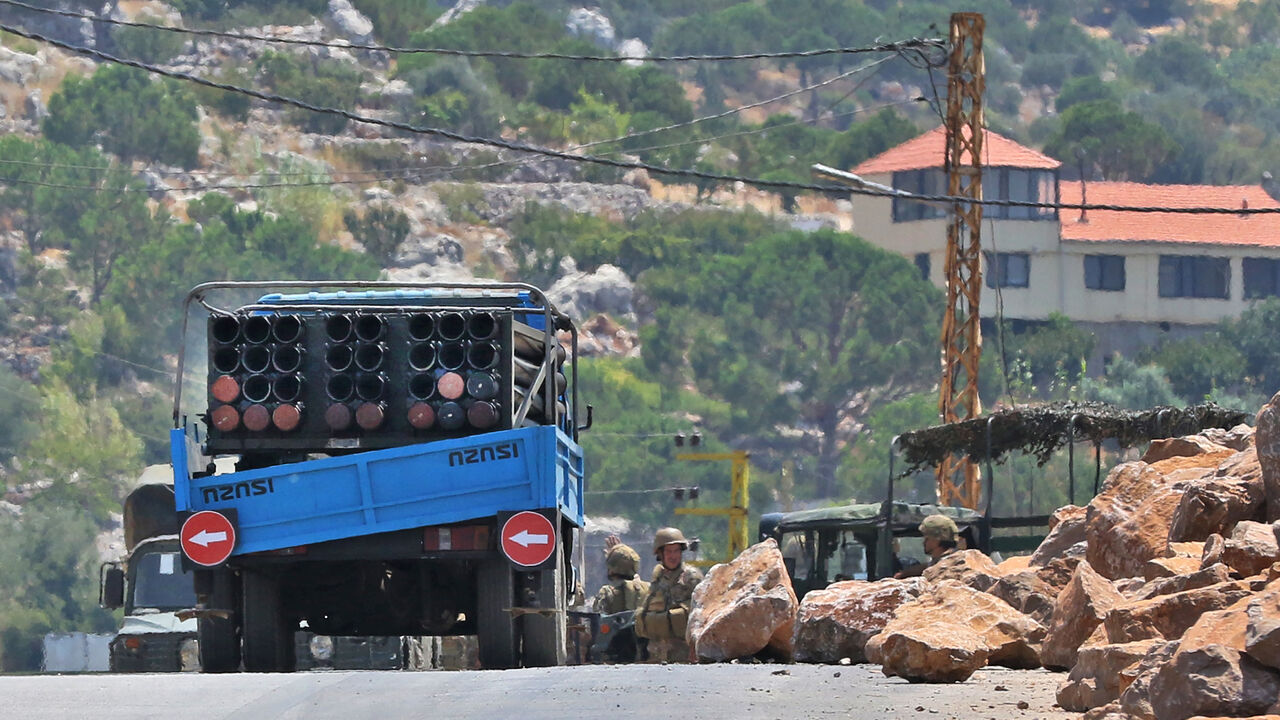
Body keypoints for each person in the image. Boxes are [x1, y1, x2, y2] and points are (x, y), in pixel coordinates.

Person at [635, 527, 703, 663]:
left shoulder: (691, 577)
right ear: (660, 554)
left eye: (676, 551)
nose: (673, 556)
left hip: (683, 654)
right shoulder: (658, 578)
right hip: (655, 654)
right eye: (669, 551)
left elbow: (701, 613)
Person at [592, 535, 649, 614]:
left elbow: (598, 619)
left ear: (611, 570)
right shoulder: (649, 589)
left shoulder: (606, 592)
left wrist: (617, 554)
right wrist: (621, 554)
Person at [894, 514, 960, 579]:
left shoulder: (950, 567)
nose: (924, 542)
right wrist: (904, 574)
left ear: (937, 539)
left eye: (927, 538)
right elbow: (928, 566)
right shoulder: (944, 561)